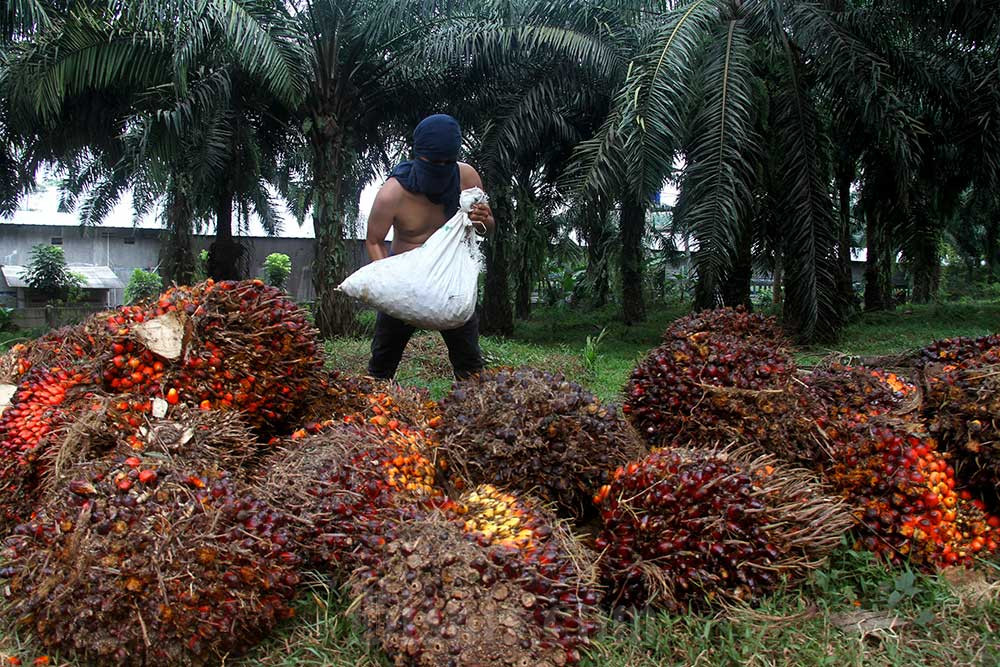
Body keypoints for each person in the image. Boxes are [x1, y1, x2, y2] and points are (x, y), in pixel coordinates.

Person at [364, 114, 495, 381]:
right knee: (381, 367)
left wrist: (484, 219)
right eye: (432, 163)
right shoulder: (393, 193)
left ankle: (473, 410)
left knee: (470, 366)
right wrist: (389, 284)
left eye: (446, 163)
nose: (440, 167)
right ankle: (373, 411)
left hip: (450, 283)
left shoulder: (466, 177)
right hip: (405, 284)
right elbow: (374, 240)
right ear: (417, 155)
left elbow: (487, 226)